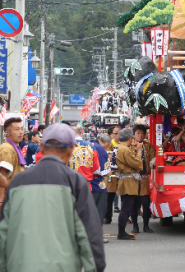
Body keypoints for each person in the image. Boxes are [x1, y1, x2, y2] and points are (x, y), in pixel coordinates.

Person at [0, 123, 106, 272]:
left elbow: (3, 231)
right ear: (70, 150)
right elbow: (89, 233)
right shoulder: (75, 182)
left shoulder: (18, 182)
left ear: (41, 148)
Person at [116, 128, 142, 240]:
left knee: (126, 206)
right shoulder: (124, 150)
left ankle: (122, 231)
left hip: (125, 179)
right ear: (129, 138)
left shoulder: (121, 147)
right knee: (126, 207)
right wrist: (139, 151)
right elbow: (137, 164)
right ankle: (121, 232)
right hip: (128, 181)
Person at [130, 124, 156, 234]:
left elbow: (154, 157)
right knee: (133, 203)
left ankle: (146, 225)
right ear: (133, 135)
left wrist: (153, 161)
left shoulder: (149, 146)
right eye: (138, 133)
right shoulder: (129, 146)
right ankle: (135, 226)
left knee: (145, 203)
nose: (140, 135)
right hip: (132, 178)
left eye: (142, 133)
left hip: (145, 177)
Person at [0, 117, 27, 203]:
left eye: (22, 129)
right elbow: (2, 174)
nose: (21, 132)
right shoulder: (7, 149)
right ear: (7, 132)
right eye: (17, 129)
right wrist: (1, 198)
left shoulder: (15, 147)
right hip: (9, 195)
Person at [92, 133, 112, 242]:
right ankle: (97, 235)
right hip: (96, 183)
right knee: (99, 210)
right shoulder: (99, 148)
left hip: (78, 182)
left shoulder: (73, 145)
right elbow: (106, 171)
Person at [104, 125, 121, 224]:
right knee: (109, 197)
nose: (118, 135)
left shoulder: (127, 143)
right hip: (111, 172)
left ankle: (126, 217)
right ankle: (107, 217)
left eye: (120, 133)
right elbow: (108, 158)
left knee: (125, 195)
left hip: (123, 172)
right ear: (111, 134)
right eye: (115, 133)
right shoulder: (109, 144)